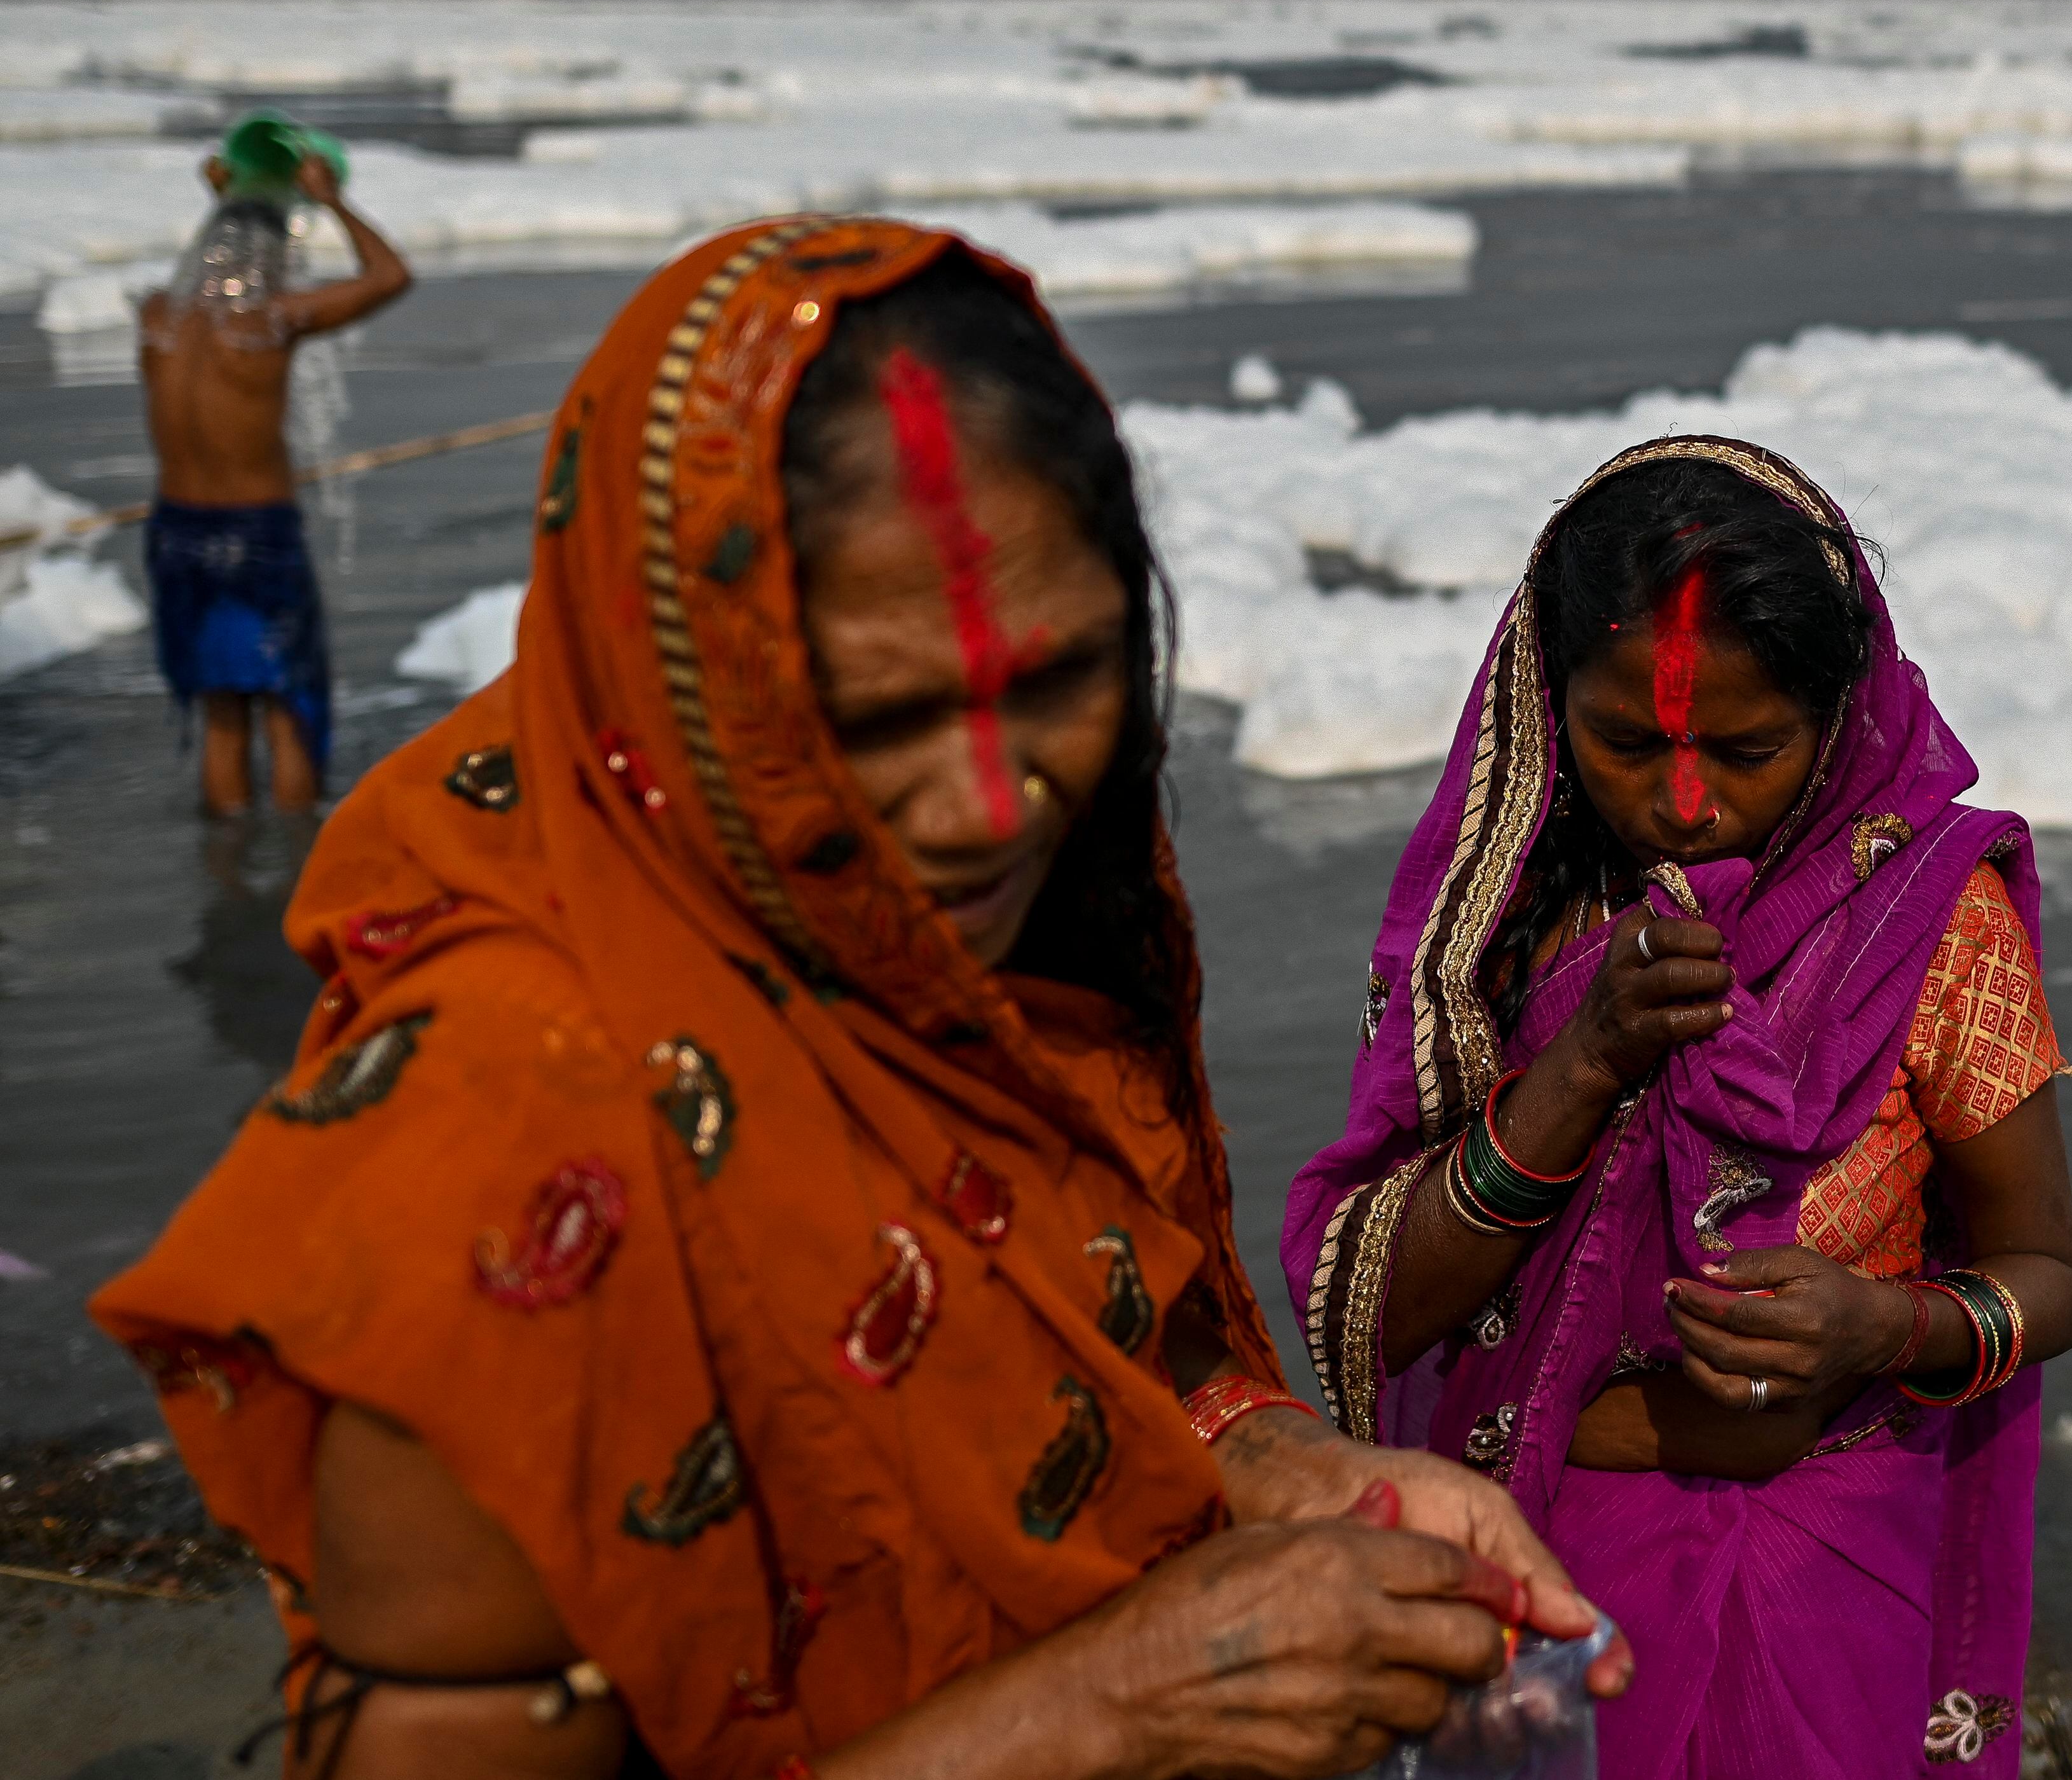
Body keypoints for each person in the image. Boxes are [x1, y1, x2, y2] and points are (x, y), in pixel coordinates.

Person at [92, 219, 1626, 1779]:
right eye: (873, 714)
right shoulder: (501, 1144)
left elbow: (1091, 1347)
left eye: (1060, 680)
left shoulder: (981, 939)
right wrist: (1114, 1702)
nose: (985, 800)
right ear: (679, 680)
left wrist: (1279, 1460)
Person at [1282, 439, 2072, 1779]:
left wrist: (1879, 1325)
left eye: (1749, 747)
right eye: (1622, 742)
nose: (1683, 800)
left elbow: (2050, 1276)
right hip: (1534, 1557)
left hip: (1816, 1557)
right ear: (1551, 711)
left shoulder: (1935, 920)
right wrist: (1584, 1060)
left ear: (1836, 716)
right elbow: (1369, 1308)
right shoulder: (1498, 931)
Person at [141, 151, 411, 815]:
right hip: (255, 535)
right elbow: (390, 276)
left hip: (176, 534)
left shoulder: (156, 320)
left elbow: (214, 267)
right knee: (288, 708)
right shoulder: (269, 322)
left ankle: (228, 874)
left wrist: (228, 202)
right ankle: (295, 870)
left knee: (222, 716)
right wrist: (333, 203)